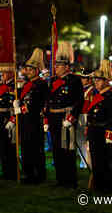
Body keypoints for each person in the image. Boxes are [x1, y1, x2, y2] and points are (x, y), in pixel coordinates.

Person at [47, 42, 83, 188]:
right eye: (55, 65)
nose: (55, 67)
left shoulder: (74, 80)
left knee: (68, 149)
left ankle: (70, 179)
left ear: (67, 66)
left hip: (66, 119)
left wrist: (72, 117)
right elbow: (49, 101)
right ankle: (60, 179)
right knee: (56, 149)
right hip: (54, 118)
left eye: (59, 65)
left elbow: (79, 101)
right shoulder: (53, 81)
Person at [13, 48, 49, 184]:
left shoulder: (41, 84)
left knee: (35, 149)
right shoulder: (27, 84)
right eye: (27, 69)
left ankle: (38, 174)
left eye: (29, 69)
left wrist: (20, 108)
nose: (26, 71)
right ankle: (28, 173)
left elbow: (36, 104)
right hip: (25, 120)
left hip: (34, 120)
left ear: (36, 70)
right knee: (26, 148)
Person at [87, 60, 112, 193]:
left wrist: (110, 134)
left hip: (104, 132)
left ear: (107, 81)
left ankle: (106, 188)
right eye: (95, 79)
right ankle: (98, 185)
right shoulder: (97, 96)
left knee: (104, 162)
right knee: (96, 161)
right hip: (94, 131)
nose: (96, 82)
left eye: (99, 80)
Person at [0, 66, 17, 180]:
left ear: (11, 73)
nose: (1, 74)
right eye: (1, 72)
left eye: (4, 72)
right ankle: (5, 170)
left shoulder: (15, 86)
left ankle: (12, 171)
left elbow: (16, 104)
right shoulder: (1, 86)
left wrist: (13, 120)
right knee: (2, 146)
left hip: (8, 118)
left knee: (10, 146)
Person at [76, 69, 94, 169]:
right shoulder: (81, 89)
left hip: (87, 116)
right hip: (80, 116)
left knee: (87, 141)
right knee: (80, 141)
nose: (81, 80)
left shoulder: (92, 90)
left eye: (83, 78)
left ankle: (88, 161)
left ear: (89, 79)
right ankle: (84, 161)